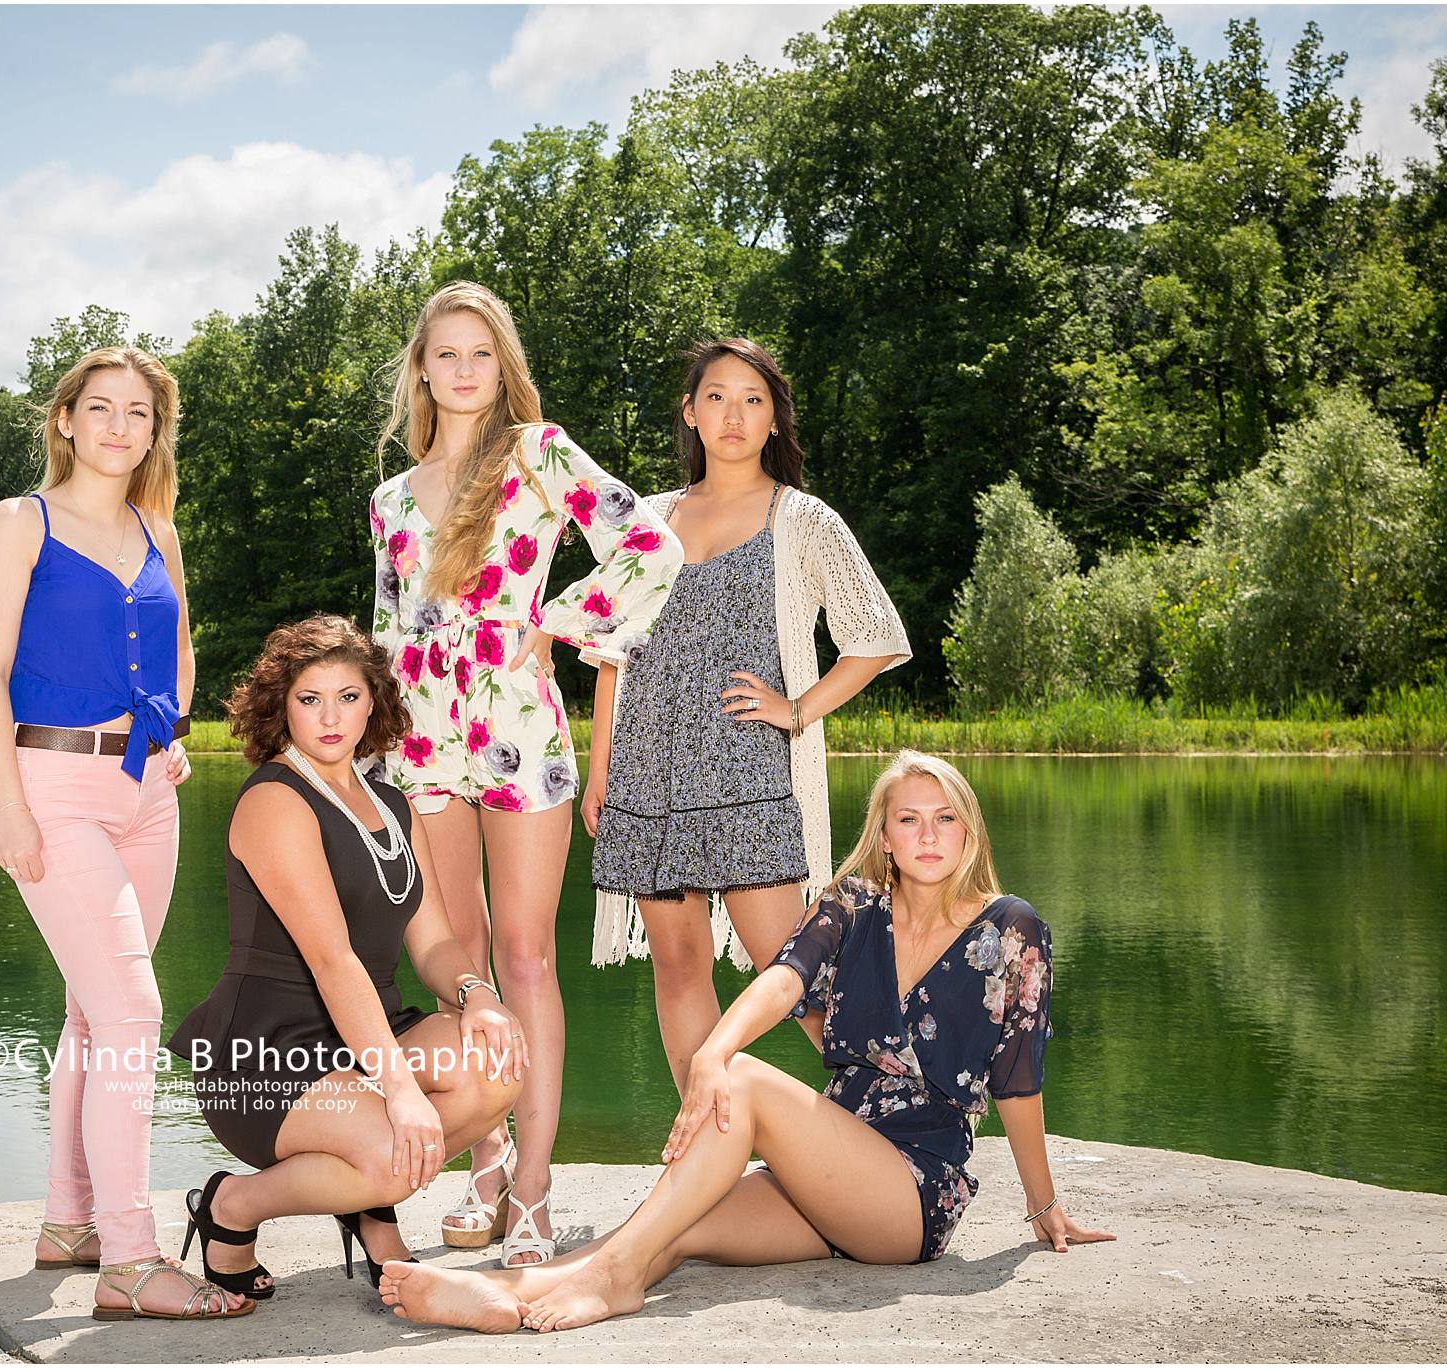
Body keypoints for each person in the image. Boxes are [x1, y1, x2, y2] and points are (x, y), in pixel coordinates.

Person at [376, 750, 1115, 1334]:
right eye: (910, 819)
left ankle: (610, 1285)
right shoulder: (854, 904)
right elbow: (783, 979)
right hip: (827, 1171)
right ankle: (506, 1294)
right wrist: (710, 1051)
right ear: (885, 835)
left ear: (969, 830)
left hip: (913, 1192)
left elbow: (1018, 1080)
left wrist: (1043, 1205)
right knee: (673, 1224)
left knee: (744, 1081)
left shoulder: (1011, 928)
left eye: (945, 819)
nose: (928, 835)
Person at [368, 282, 683, 1264]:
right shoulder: (390, 499)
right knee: (458, 960)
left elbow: (650, 545)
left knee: (525, 955)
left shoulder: (538, 454)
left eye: (481, 353)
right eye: (446, 354)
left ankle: (535, 1192)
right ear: (421, 370)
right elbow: (384, 633)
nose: (463, 370)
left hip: (516, 729)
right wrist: (367, 760)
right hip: (420, 740)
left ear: (501, 367)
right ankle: (487, 1163)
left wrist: (555, 624)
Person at [0, 347, 246, 1321]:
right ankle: (130, 1260)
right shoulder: (20, 523)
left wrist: (172, 732)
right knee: (131, 1015)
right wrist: (8, 807)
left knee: (94, 1012)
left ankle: (68, 1221)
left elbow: (181, 647)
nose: (121, 426)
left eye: (139, 412)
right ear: (66, 420)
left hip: (146, 792)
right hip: (52, 787)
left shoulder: (156, 528)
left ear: (153, 430)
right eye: (102, 407)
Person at [166, 615, 529, 1298]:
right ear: (282, 706)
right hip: (267, 1052)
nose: (331, 717)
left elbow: (434, 942)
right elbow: (333, 961)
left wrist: (478, 995)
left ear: (374, 702)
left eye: (348, 697)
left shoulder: (393, 805)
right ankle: (229, 1206)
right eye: (310, 699)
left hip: (366, 1037)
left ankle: (366, 1197)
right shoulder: (275, 799)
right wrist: (401, 1092)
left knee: (497, 1061)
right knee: (394, 1148)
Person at [584, 338, 911, 1090]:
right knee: (678, 964)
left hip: (750, 772)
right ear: (691, 414)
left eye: (753, 400)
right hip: (648, 775)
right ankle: (702, 1129)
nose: (734, 415)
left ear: (773, 420)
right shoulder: (647, 520)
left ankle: (886, 1109)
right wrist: (600, 771)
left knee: (790, 966)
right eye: (717, 397)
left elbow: (874, 636)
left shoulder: (803, 519)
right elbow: (608, 653)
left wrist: (796, 709)